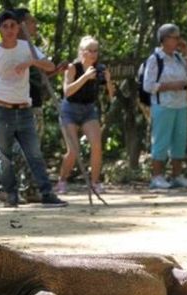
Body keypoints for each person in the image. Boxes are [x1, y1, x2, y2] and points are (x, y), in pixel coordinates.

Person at [0, 10, 67, 208]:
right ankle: (11, 195)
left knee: (34, 154)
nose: (10, 30)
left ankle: (47, 194)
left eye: (13, 25)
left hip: (25, 109)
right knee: (4, 156)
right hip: (2, 110)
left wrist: (32, 61)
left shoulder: (27, 47)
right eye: (5, 26)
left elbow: (49, 65)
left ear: (18, 27)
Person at [56, 36, 114, 194]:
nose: (93, 54)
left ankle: (95, 183)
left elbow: (111, 96)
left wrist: (108, 81)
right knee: (73, 150)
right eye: (90, 51)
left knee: (96, 145)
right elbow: (67, 92)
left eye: (96, 51)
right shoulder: (73, 67)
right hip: (69, 110)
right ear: (82, 52)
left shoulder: (100, 69)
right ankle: (62, 181)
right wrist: (85, 77)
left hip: (88, 109)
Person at [143, 24, 187, 189]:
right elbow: (148, 85)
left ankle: (176, 175)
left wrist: (186, 53)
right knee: (161, 140)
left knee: (179, 140)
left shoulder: (178, 58)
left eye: (179, 37)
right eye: (174, 37)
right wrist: (171, 85)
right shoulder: (155, 59)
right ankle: (157, 176)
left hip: (181, 104)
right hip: (163, 105)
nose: (178, 40)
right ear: (164, 39)